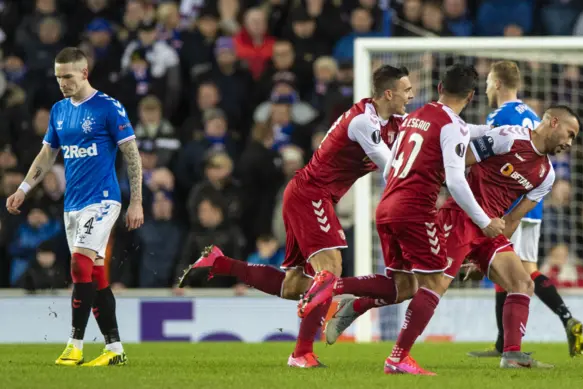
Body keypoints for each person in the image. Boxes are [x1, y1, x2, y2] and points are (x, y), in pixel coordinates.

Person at [177, 65, 413, 367]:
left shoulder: (395, 121)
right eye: (406, 90)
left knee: (292, 286)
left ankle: (221, 263)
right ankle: (302, 352)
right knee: (331, 268)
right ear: (388, 93)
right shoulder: (362, 122)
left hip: (308, 194)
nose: (412, 95)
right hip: (311, 195)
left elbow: (423, 137)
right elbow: (393, 169)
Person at [327, 63, 504, 375]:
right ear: (472, 95)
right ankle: (397, 358)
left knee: (403, 285)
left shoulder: (414, 117)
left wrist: (495, 130)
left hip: (385, 207)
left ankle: (336, 290)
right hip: (414, 211)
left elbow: (462, 132)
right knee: (435, 281)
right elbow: (456, 180)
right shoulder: (453, 126)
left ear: (439, 88)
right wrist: (484, 219)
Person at [5, 47, 144, 367]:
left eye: (68, 76)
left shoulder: (109, 107)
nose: (62, 82)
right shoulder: (59, 110)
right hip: (73, 205)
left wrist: (135, 201)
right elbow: (46, 155)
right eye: (58, 77)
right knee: (94, 273)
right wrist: (24, 188)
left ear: (84, 73)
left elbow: (132, 154)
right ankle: (114, 348)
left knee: (79, 266)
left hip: (104, 199)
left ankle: (74, 345)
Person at [467, 61, 583, 358]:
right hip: (534, 199)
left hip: (511, 200)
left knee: (507, 271)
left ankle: (504, 345)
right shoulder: (532, 114)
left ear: (495, 84)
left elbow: (488, 159)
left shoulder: (500, 115)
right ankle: (566, 318)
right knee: (526, 271)